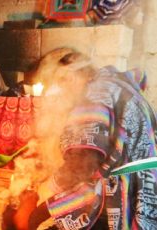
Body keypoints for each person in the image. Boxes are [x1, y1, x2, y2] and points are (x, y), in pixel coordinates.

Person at [16, 48, 157, 229]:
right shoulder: (115, 85)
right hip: (145, 184)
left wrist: (48, 187)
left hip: (124, 190)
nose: (62, 91)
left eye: (62, 82)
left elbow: (83, 162)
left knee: (38, 218)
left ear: (72, 76)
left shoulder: (93, 95)